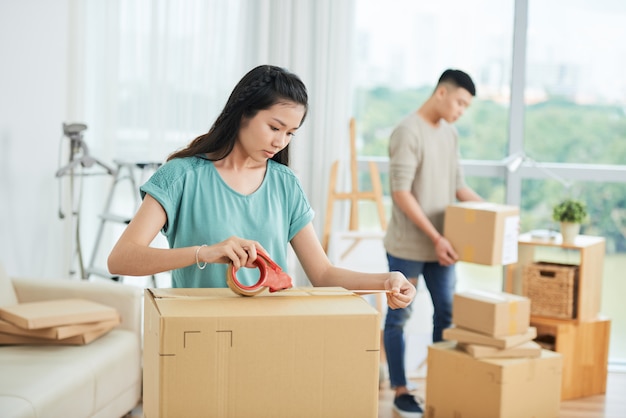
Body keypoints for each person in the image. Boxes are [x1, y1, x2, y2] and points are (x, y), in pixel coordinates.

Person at [108, 64, 416, 311]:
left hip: (269, 335)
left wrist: (387, 280)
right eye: (274, 127)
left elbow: (322, 275)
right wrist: (206, 252)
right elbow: (121, 258)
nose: (280, 142)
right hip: (197, 334)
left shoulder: (285, 184)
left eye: (290, 133)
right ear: (244, 113)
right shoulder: (181, 176)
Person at [382, 69, 483, 417]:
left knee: (447, 313)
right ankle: (400, 390)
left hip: (443, 248)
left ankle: (442, 383)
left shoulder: (450, 134)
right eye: (459, 102)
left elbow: (459, 186)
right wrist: (436, 237)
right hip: (408, 247)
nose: (460, 111)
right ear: (442, 92)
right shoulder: (408, 131)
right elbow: (401, 192)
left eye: (466, 107)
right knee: (399, 317)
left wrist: (495, 213)